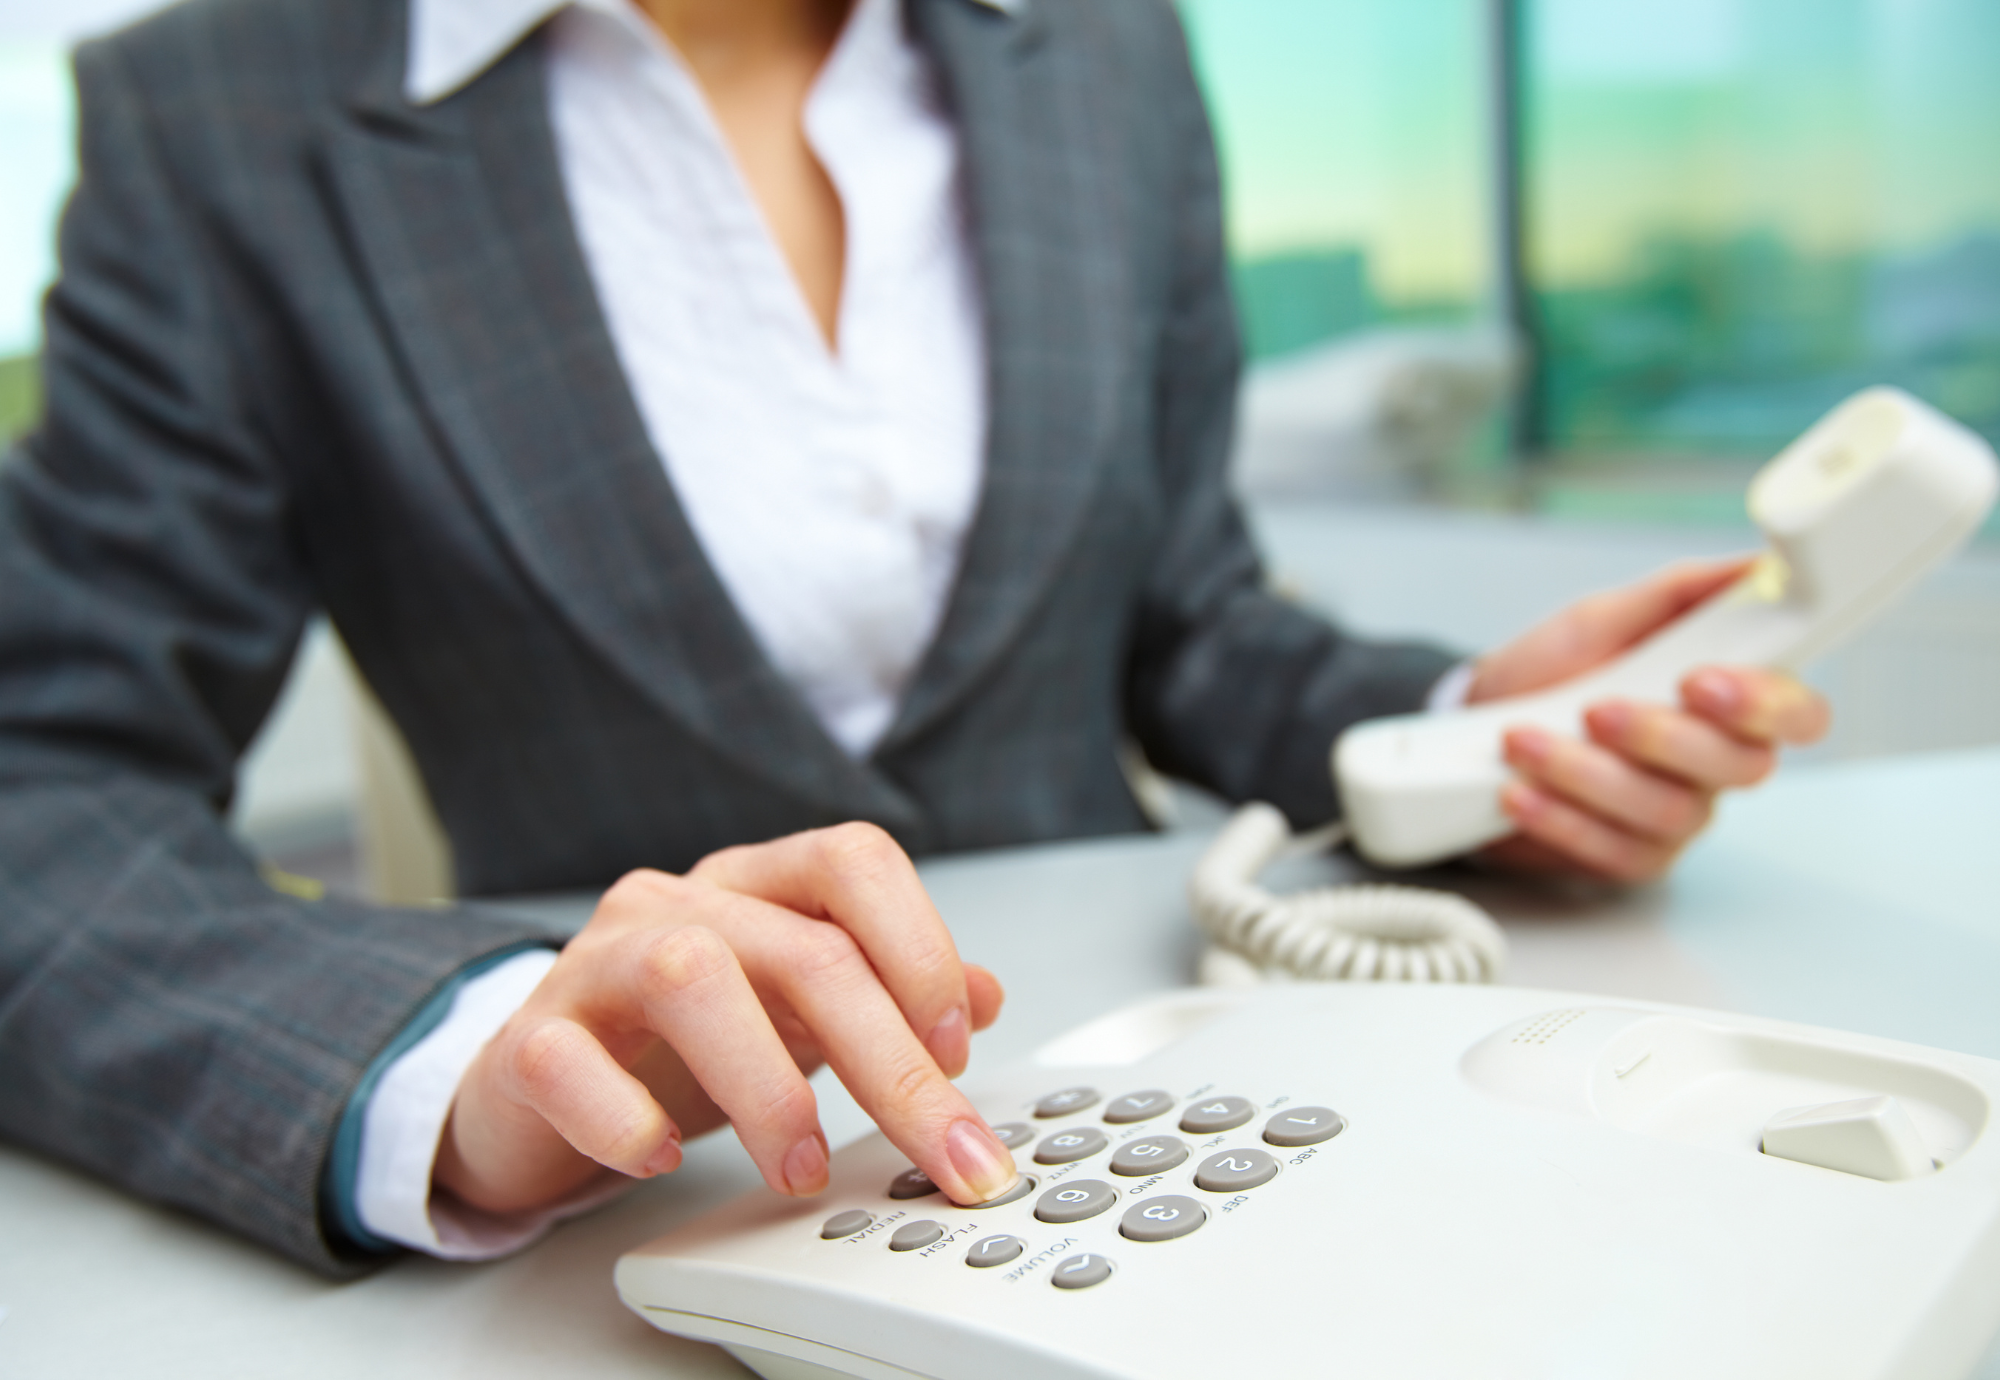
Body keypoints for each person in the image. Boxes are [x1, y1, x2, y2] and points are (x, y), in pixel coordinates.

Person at [0, 0, 1827, 1276]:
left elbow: (1188, 617)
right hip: (643, 1205)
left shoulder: (1102, 47)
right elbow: (41, 784)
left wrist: (1471, 738)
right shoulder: (216, 114)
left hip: (1181, 1100)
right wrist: (445, 1059)